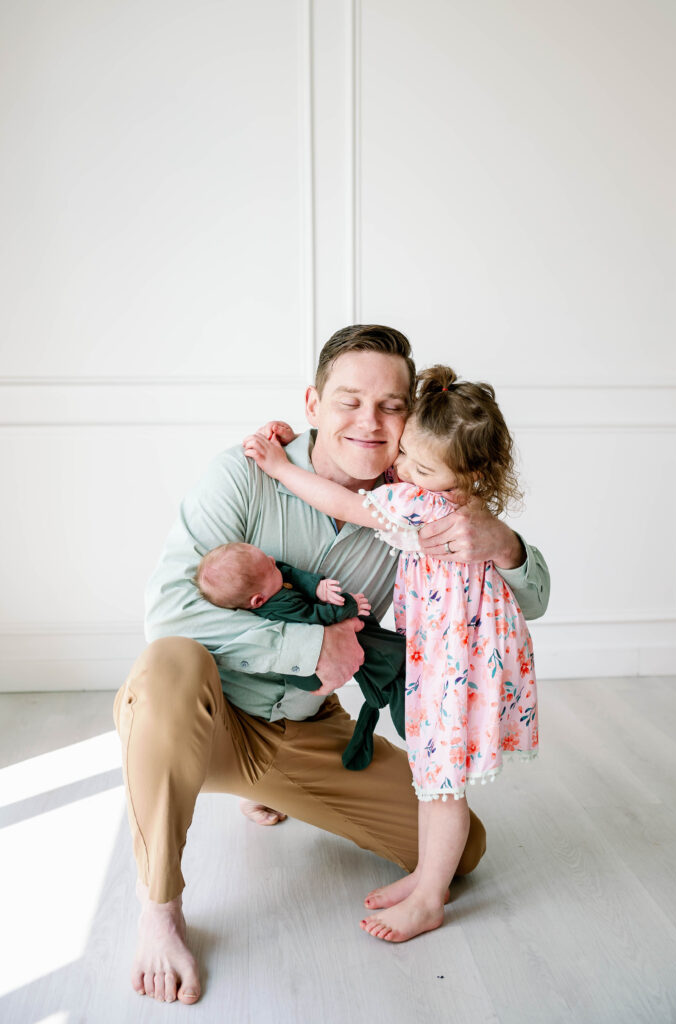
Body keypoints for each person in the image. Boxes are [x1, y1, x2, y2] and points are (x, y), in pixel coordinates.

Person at [114, 325, 550, 1004]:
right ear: (313, 403)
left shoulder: (417, 499)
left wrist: (504, 542)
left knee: (457, 855)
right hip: (210, 714)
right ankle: (159, 910)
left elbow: (534, 598)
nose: (368, 422)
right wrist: (310, 646)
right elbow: (169, 613)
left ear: (413, 415)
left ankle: (269, 787)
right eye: (349, 401)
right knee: (168, 663)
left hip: (303, 728)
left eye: (390, 405)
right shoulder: (244, 473)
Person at [244, 363, 539, 944]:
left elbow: (346, 503)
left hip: (454, 666)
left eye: (418, 466)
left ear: (461, 477)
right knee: (434, 779)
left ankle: (430, 897)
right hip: (467, 659)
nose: (399, 470)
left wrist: (280, 466)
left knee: (441, 781)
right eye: (404, 456)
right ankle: (429, 876)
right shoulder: (462, 498)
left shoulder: (425, 506)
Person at [194, 542, 408, 769]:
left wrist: (317, 587)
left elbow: (288, 572)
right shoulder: (280, 607)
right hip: (309, 676)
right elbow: (314, 615)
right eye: (270, 567)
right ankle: (415, 733)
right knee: (389, 671)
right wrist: (349, 607)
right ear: (258, 600)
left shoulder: (268, 582)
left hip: (329, 652)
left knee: (382, 660)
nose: (273, 560)